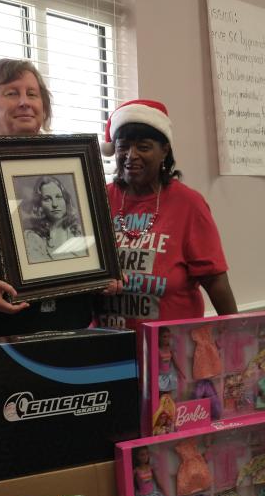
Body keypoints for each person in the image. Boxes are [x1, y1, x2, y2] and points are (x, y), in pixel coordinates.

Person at [0, 59, 93, 338]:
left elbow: (89, 243)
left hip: (70, 325)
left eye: (32, 94)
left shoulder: (72, 165)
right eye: (12, 93)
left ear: (44, 107)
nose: (24, 102)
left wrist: (103, 273)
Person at [94, 99, 237, 333]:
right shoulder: (98, 198)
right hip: (106, 347)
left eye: (143, 146)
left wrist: (236, 332)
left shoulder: (189, 204)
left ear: (164, 151)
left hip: (169, 352)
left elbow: (215, 281)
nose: (131, 155)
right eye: (123, 146)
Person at [20, 174, 85, 263]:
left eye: (58, 197)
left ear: (65, 200)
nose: (55, 204)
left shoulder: (79, 232)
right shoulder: (32, 238)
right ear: (39, 205)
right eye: (47, 199)